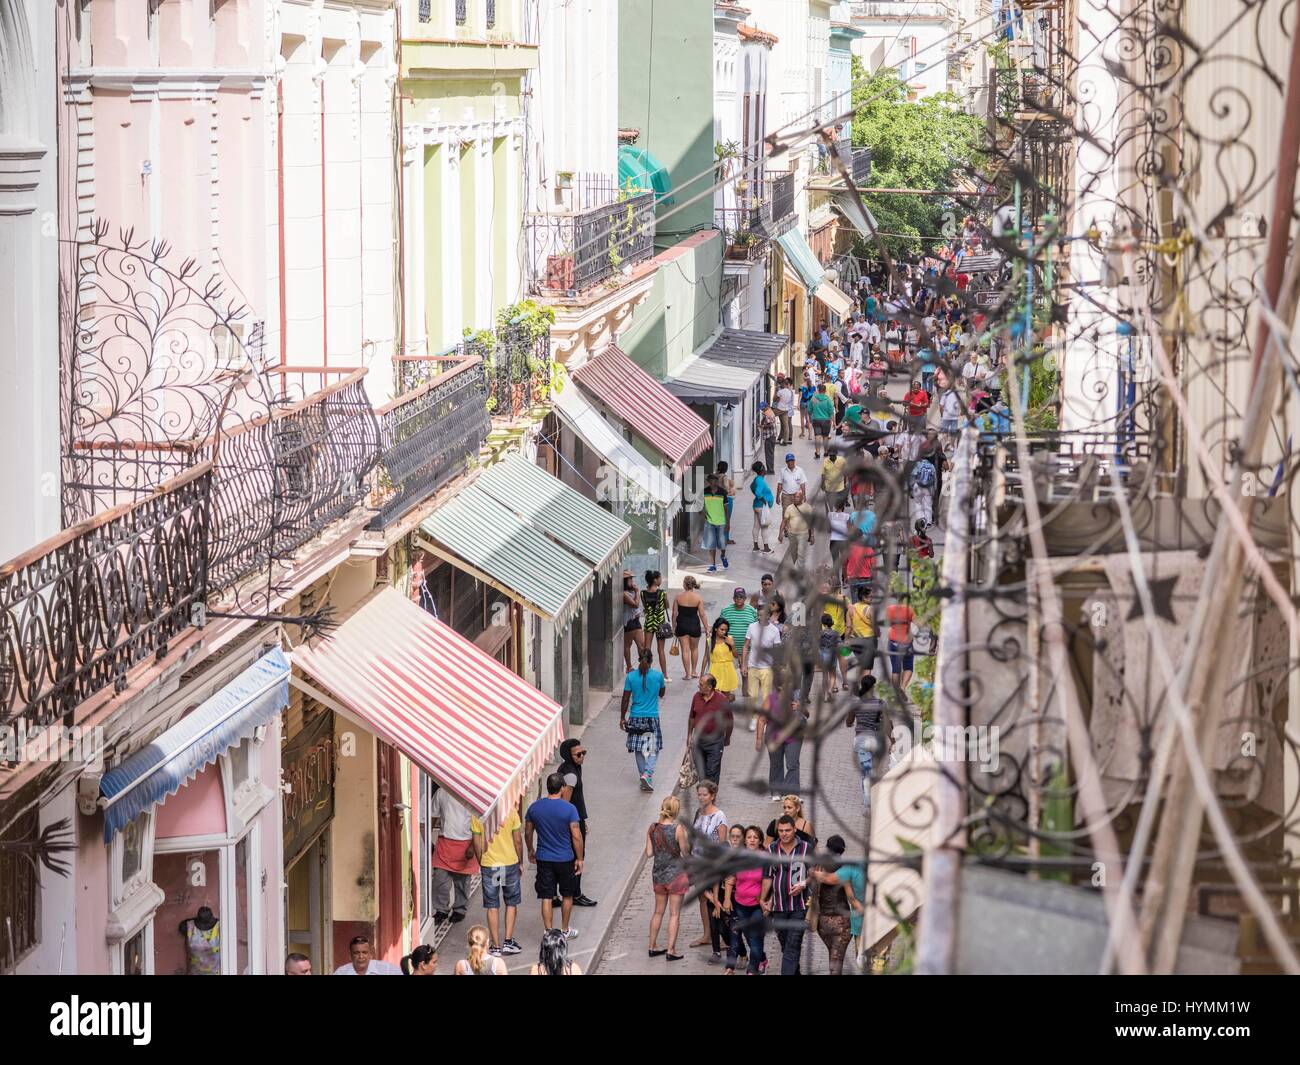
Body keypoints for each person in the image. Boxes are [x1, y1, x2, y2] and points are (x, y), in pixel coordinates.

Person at [524, 772, 584, 940]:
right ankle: (564, 929)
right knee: (567, 894)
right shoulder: (569, 809)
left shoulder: (534, 808)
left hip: (544, 857)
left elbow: (528, 832)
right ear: (562, 788)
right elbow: (576, 835)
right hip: (565, 858)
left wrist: (530, 849)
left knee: (546, 896)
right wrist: (579, 858)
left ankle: (549, 931)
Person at [761, 815, 812, 976]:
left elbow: (816, 874)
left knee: (793, 943)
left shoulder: (806, 848)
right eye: (781, 831)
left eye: (787, 830)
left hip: (800, 906)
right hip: (779, 906)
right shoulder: (772, 849)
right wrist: (762, 899)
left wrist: (803, 884)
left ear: (794, 830)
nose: (784, 834)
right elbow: (768, 877)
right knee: (785, 944)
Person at [470, 803, 525, 956]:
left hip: (491, 866)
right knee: (511, 902)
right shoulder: (511, 811)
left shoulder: (478, 813)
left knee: (492, 905)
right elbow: (518, 841)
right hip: (509, 864)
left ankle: (496, 946)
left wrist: (482, 861)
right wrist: (520, 861)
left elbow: (476, 841)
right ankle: (508, 941)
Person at [645, 795, 690, 961]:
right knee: (674, 914)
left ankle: (652, 946)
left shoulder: (652, 828)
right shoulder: (678, 829)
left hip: (658, 875)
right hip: (676, 876)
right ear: (676, 811)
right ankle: (671, 950)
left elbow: (649, 853)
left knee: (658, 912)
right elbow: (685, 852)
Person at [689, 781, 729, 961]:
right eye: (699, 794)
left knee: (715, 899)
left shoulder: (720, 816)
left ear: (712, 795)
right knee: (702, 898)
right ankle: (707, 934)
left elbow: (722, 843)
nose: (701, 797)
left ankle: (720, 935)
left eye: (705, 794)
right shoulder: (698, 813)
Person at [557, 738, 597, 908]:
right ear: (569, 755)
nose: (582, 756)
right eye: (578, 754)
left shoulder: (571, 768)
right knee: (577, 856)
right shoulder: (571, 774)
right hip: (572, 822)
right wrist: (574, 824)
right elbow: (566, 802)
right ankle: (575, 894)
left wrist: (583, 820)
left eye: (583, 753)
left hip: (577, 818)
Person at [805, 836, 854, 975]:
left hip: (823, 923)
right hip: (842, 923)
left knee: (833, 956)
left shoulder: (819, 866)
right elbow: (852, 896)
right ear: (842, 851)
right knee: (836, 959)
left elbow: (810, 874)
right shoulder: (845, 868)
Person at [430, 788, 479, 924]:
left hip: (467, 842)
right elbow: (433, 814)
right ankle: (441, 910)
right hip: (444, 842)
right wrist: (428, 836)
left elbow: (481, 822)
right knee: (439, 880)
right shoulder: (441, 792)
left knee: (462, 882)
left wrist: (472, 846)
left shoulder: (473, 794)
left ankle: (459, 909)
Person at [620, 648, 667, 790]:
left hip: (635, 717)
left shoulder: (631, 677)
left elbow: (625, 698)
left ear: (638, 659)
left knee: (639, 750)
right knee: (653, 749)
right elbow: (662, 693)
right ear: (652, 660)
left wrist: (622, 717)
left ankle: (644, 776)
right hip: (651, 718)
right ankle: (647, 774)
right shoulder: (658, 676)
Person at [725, 825, 769, 974]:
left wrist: (767, 901)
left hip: (758, 905)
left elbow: (769, 881)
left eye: (755, 837)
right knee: (747, 937)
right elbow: (731, 879)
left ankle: (752, 970)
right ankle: (762, 959)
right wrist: (726, 899)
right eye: (749, 837)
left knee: (755, 938)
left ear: (760, 841)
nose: (752, 840)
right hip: (740, 904)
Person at [846, 674, 887, 814]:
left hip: (861, 740)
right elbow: (887, 723)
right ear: (873, 688)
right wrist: (892, 740)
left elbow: (848, 722)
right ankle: (875, 798)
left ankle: (868, 805)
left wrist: (853, 721)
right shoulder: (880, 703)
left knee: (865, 774)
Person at [758, 685, 806, 800]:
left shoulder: (797, 696)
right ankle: (776, 792)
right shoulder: (770, 699)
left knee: (793, 764)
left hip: (794, 737)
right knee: (776, 764)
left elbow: (807, 715)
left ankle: (792, 792)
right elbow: (762, 719)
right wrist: (758, 739)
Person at [743, 601, 784, 726]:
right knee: (752, 695)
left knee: (766, 695)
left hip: (767, 667)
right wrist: (744, 665)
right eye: (759, 615)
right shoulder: (751, 627)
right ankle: (754, 718)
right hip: (752, 665)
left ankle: (765, 718)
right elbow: (746, 647)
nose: (761, 617)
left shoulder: (774, 630)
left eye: (764, 615)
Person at [688, 673, 733, 784]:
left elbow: (729, 722)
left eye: (701, 684)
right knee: (701, 773)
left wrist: (727, 738)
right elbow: (691, 717)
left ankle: (711, 797)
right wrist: (689, 736)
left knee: (712, 771)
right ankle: (705, 795)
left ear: (709, 687)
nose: (698, 686)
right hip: (698, 741)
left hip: (715, 742)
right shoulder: (696, 697)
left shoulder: (722, 700)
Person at [672, 576, 708, 680]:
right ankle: (694, 671)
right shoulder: (698, 598)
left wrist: (674, 626)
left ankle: (687, 674)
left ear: (684, 584)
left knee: (685, 650)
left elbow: (674, 613)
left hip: (682, 625)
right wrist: (706, 628)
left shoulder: (678, 597)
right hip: (694, 625)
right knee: (695, 649)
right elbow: (702, 614)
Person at [642, 570, 672, 678]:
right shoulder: (662, 593)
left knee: (647, 649)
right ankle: (665, 675)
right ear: (655, 580)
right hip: (660, 623)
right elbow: (667, 606)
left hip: (649, 622)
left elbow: (645, 608)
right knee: (661, 650)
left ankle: (645, 672)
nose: (661, 580)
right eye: (660, 578)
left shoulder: (643, 593)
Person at [719, 586, 759, 666]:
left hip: (747, 650)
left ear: (745, 598)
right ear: (733, 598)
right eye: (737, 597)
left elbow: (757, 629)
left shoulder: (752, 611)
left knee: (745, 674)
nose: (739, 599)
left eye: (741, 597)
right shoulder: (726, 610)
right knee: (728, 674)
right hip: (729, 649)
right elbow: (720, 629)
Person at [778, 494, 815, 573]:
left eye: (797, 497)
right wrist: (780, 533)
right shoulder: (789, 508)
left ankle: (795, 572)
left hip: (803, 534)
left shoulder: (807, 507)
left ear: (802, 498)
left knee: (801, 554)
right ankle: (800, 570)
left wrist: (812, 535)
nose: (795, 498)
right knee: (794, 554)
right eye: (795, 497)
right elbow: (784, 521)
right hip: (792, 534)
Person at [846, 583, 878, 676]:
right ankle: (866, 687)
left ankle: (859, 685)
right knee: (867, 667)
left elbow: (848, 627)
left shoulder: (851, 609)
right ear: (863, 597)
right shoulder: (870, 609)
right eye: (870, 597)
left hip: (855, 640)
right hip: (869, 641)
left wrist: (846, 639)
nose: (872, 598)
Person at [887, 592, 916, 690]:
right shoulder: (910, 609)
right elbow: (917, 624)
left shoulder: (890, 609)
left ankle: (896, 693)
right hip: (906, 642)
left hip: (893, 641)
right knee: (908, 667)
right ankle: (903, 688)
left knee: (896, 669)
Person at [708, 618, 741, 703]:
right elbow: (705, 657)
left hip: (728, 670)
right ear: (716, 629)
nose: (724, 632)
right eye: (722, 629)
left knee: (725, 696)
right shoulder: (710, 640)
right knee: (716, 694)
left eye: (726, 630)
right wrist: (702, 674)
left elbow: (736, 656)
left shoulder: (729, 639)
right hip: (715, 669)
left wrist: (732, 645)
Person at [333, 935, 402, 975]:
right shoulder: (341, 972)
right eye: (356, 953)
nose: (361, 956)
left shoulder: (386, 969)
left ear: (370, 954)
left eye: (364, 952)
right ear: (350, 955)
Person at [702, 475, 730, 572]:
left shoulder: (723, 492)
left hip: (721, 521)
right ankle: (713, 565)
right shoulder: (704, 492)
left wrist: (728, 523)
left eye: (715, 481)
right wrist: (702, 513)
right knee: (711, 544)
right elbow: (699, 504)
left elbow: (726, 509)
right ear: (708, 482)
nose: (713, 483)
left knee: (722, 544)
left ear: (717, 482)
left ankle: (723, 556)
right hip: (709, 521)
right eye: (711, 481)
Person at [750, 460, 776, 553]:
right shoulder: (760, 480)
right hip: (761, 507)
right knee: (764, 527)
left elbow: (751, 487)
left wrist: (759, 498)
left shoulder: (757, 479)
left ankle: (756, 547)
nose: (765, 469)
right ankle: (766, 548)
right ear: (762, 469)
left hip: (756, 506)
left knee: (756, 525)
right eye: (764, 467)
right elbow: (757, 492)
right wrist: (764, 500)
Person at [621, 569, 643, 671]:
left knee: (641, 645)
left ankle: (644, 664)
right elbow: (635, 604)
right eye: (629, 579)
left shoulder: (631, 591)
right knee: (627, 645)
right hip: (628, 621)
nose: (632, 581)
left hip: (636, 620)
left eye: (631, 579)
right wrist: (638, 591)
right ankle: (629, 666)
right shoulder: (624, 594)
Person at [818, 612, 842, 698]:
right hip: (832, 656)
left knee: (824, 676)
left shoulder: (820, 634)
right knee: (832, 675)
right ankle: (830, 690)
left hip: (823, 656)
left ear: (822, 623)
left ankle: (824, 695)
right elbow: (839, 645)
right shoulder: (836, 633)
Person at [910, 453, 936, 527]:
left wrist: (911, 487)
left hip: (918, 486)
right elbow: (934, 478)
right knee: (928, 505)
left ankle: (921, 520)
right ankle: (929, 522)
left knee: (918, 504)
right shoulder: (931, 466)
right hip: (929, 487)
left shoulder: (917, 465)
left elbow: (913, 476)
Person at [809, 383, 835, 458]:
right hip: (826, 421)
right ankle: (826, 452)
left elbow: (809, 410)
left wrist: (810, 416)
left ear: (818, 390)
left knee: (817, 436)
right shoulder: (828, 399)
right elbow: (831, 412)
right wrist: (834, 423)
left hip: (816, 420)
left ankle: (817, 453)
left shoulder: (813, 398)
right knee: (825, 436)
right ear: (825, 390)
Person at [759, 401, 780, 474]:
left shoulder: (767, 413)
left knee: (769, 454)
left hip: (769, 437)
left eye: (763, 409)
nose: (762, 410)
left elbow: (770, 424)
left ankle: (770, 470)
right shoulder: (770, 411)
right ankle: (770, 469)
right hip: (772, 436)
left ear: (766, 407)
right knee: (770, 454)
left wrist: (763, 426)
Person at [774, 376, 796, 444]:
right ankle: (785, 440)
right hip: (786, 409)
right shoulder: (790, 392)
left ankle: (785, 437)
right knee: (785, 425)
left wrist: (776, 392)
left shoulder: (781, 391)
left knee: (769, 416)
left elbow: (774, 400)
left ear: (787, 384)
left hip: (780, 408)